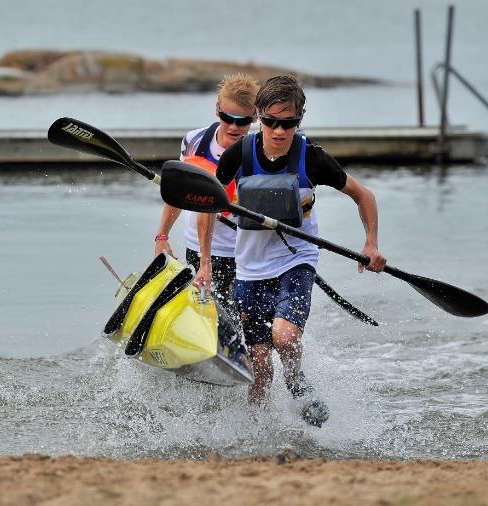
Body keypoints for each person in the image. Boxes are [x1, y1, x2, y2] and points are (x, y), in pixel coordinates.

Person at [195, 75, 387, 410]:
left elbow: (364, 196)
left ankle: (297, 381)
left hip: (296, 259)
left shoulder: (311, 157)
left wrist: (370, 244)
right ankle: (258, 434)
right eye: (271, 122)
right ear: (259, 117)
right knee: (259, 365)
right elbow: (207, 206)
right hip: (250, 269)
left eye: (289, 123)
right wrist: (205, 262)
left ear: (299, 120)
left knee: (284, 336)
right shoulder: (238, 154)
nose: (280, 131)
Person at [154, 74, 259, 306]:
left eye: (242, 121)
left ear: (255, 117)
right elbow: (178, 192)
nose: (233, 126)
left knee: (238, 325)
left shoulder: (259, 153)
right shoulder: (194, 140)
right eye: (226, 117)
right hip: (196, 247)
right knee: (204, 314)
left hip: (241, 253)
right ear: (217, 109)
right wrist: (162, 236)